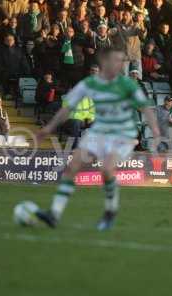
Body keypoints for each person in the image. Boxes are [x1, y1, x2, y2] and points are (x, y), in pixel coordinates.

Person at [34, 47, 160, 230]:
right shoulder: (90, 83)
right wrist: (49, 127)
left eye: (120, 61)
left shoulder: (128, 84)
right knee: (71, 167)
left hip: (122, 133)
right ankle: (54, 214)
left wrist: (155, 129)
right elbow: (67, 108)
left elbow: (145, 107)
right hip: (99, 132)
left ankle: (110, 212)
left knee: (107, 169)